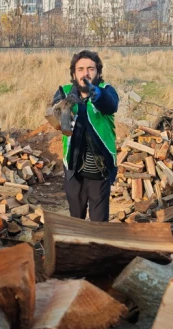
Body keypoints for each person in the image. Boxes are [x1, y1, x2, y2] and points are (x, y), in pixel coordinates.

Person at [52, 50, 119, 222]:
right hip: (75, 171)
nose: (86, 73)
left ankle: (97, 249)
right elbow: (54, 117)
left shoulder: (106, 91)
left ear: (98, 72)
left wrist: (97, 95)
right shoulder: (65, 92)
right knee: (76, 222)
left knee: (98, 226)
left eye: (91, 68)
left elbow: (111, 105)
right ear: (74, 73)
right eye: (80, 69)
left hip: (100, 169)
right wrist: (59, 107)